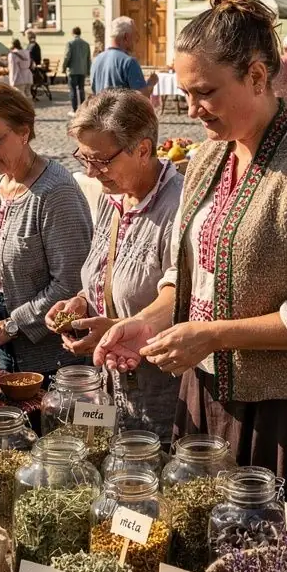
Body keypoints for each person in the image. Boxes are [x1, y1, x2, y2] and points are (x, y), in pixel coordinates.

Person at [94, 0, 287, 572]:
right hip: (209, 400)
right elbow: (190, 279)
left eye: (205, 93)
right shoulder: (207, 159)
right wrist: (146, 319)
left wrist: (214, 336)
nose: (191, 108)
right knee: (215, 567)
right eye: (186, 92)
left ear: (257, 75)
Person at [45, 91, 183, 442]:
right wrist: (80, 301)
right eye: (84, 158)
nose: (90, 172)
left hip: (163, 394)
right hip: (109, 388)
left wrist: (120, 327)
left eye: (101, 160)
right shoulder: (113, 196)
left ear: (142, 149)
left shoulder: (179, 206)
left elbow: (184, 297)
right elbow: (106, 275)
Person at [0, 84, 92, 374]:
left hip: (51, 354)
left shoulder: (56, 192)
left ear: (24, 132)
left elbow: (70, 284)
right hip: (0, 338)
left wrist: (10, 326)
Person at [90, 16, 157, 94]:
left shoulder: (96, 60)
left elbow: (94, 90)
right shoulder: (129, 62)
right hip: (123, 106)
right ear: (126, 37)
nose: (137, 39)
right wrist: (151, 83)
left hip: (102, 106)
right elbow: (142, 97)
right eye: (135, 34)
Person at [63, 26, 92, 111]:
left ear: (73, 33)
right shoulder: (86, 44)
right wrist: (88, 70)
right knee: (81, 89)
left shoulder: (70, 43)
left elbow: (67, 56)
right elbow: (88, 58)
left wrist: (64, 67)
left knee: (73, 90)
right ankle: (83, 108)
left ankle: (75, 109)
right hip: (82, 70)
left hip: (73, 70)